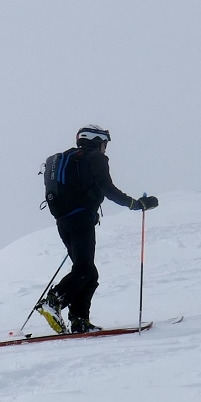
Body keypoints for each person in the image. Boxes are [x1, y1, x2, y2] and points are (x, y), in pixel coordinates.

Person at [41, 125, 158, 332]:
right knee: (85, 270)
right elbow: (107, 187)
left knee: (88, 272)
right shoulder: (94, 158)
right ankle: (54, 300)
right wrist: (135, 204)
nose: (106, 149)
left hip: (64, 221)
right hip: (80, 218)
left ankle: (79, 321)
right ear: (97, 141)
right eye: (105, 144)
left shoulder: (67, 158)